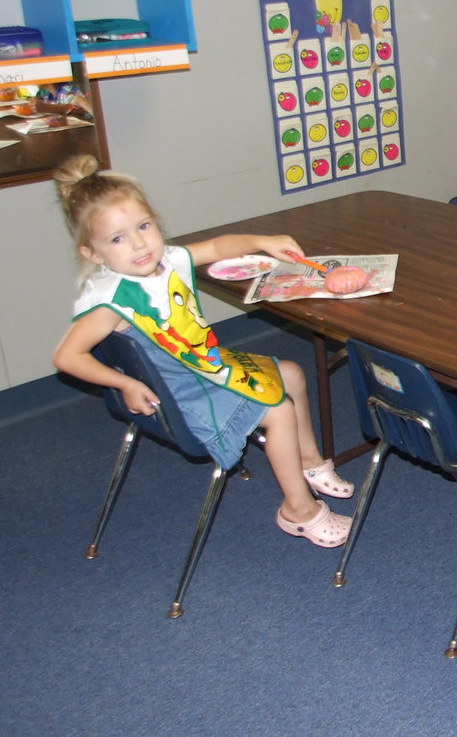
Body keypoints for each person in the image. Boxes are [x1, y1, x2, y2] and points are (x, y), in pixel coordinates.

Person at [51, 155, 353, 548]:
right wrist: (121, 382)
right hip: (182, 391)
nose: (140, 243)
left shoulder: (165, 262)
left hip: (202, 367)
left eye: (144, 226)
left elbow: (216, 246)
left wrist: (262, 241)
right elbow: (66, 357)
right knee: (278, 409)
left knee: (292, 373)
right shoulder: (111, 301)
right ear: (93, 254)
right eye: (117, 239)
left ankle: (309, 463)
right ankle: (298, 511)